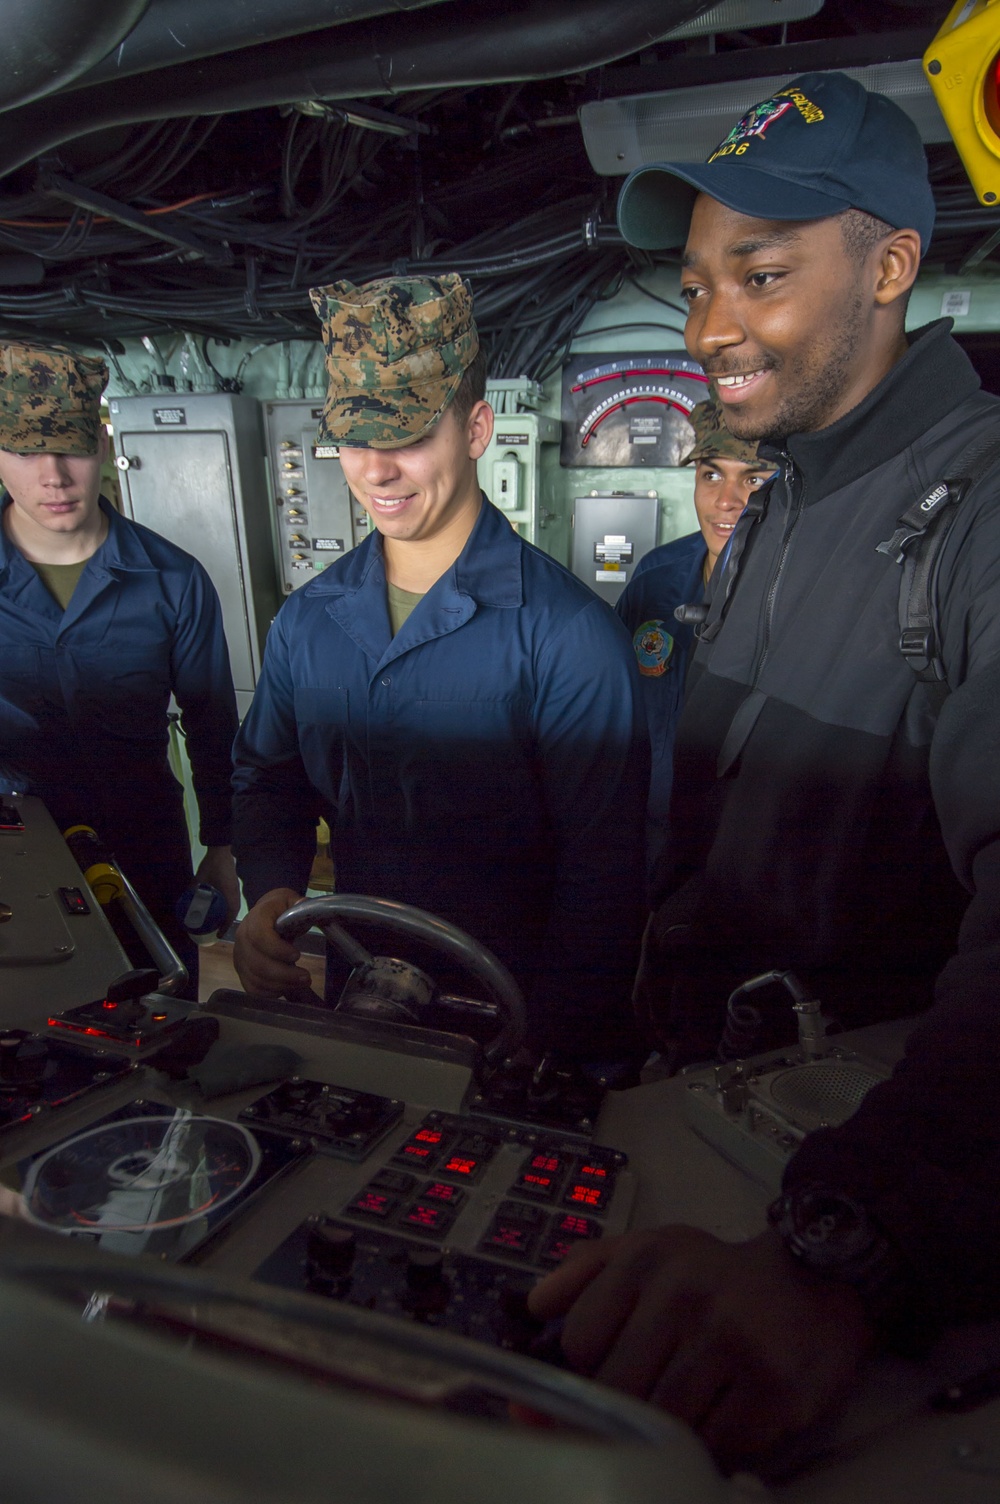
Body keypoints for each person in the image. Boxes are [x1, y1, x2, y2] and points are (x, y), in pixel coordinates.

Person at [529, 72, 1000, 1468]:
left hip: (869, 1184)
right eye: (696, 283)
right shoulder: (788, 494)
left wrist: (849, 1255)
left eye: (765, 272)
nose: (710, 326)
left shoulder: (977, 517)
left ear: (894, 264)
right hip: (718, 1109)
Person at [231, 273, 647, 1065]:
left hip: (512, 1015)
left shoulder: (567, 637)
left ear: (478, 427)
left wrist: (551, 1050)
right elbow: (268, 777)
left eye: (411, 435)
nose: (378, 471)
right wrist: (273, 890)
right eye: (357, 438)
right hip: (357, 994)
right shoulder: (308, 621)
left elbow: (603, 880)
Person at [0, 343, 240, 996]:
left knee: (162, 1019)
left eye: (71, 448)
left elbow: (213, 723)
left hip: (144, 846)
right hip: (13, 855)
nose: (53, 476)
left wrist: (222, 849)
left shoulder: (172, 581)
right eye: (25, 451)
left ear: (102, 446)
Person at [615, 396, 773, 881]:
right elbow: (619, 704)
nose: (726, 500)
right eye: (710, 475)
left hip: (746, 851)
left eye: (751, 478)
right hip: (647, 833)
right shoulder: (656, 577)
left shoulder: (806, 590)